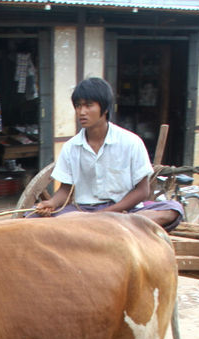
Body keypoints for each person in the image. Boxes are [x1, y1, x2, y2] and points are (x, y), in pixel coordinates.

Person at [28, 77, 183, 230]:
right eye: (78, 106)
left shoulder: (131, 142)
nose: (82, 112)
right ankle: (109, 227)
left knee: (174, 209)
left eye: (89, 105)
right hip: (84, 212)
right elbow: (65, 190)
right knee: (30, 217)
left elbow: (143, 191)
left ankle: (102, 225)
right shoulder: (71, 147)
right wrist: (52, 203)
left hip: (124, 211)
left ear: (106, 108)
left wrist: (106, 213)